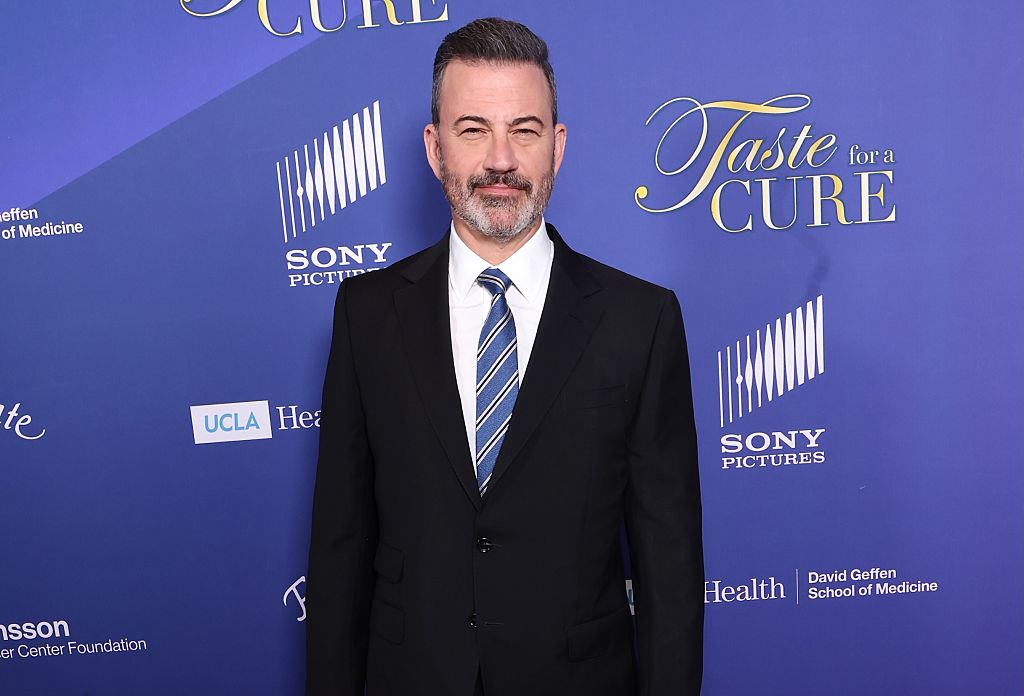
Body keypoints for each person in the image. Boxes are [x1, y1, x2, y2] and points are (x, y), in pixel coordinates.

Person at [305, 17, 703, 696]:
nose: (500, 160)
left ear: (557, 147)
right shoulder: (367, 313)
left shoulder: (640, 320)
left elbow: (670, 567)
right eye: (472, 130)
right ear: (435, 148)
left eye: (524, 130)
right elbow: (340, 547)